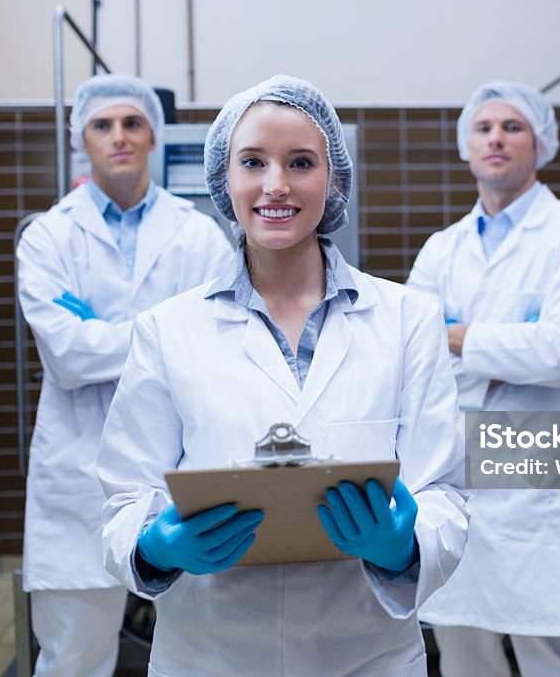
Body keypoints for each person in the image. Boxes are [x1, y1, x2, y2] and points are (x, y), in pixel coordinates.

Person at [97, 75, 468, 676]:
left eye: (300, 162)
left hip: (366, 655)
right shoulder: (167, 330)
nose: (276, 185)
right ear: (225, 177)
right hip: (212, 653)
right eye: (253, 162)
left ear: (334, 178)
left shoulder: (407, 319)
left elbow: (443, 491)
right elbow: (124, 495)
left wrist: (403, 547)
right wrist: (154, 547)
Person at [16, 73, 233, 676]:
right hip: (78, 474)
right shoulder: (47, 238)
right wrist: (163, 331)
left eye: (132, 123)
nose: (119, 137)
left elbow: (217, 345)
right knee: (72, 657)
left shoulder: (199, 236)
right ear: (80, 138)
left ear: (152, 136)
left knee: (203, 652)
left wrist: (102, 328)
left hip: (183, 462)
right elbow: (66, 355)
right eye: (103, 125)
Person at [409, 81, 560, 677]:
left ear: (542, 143)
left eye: (512, 126)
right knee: (462, 648)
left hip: (533, 469)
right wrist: (506, 348)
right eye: (483, 127)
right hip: (453, 467)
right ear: (466, 145)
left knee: (551, 649)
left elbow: (559, 351)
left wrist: (457, 333)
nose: (496, 137)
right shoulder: (442, 248)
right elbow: (413, 352)